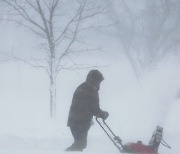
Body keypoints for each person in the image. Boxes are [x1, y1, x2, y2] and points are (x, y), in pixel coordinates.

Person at [65, 70, 109, 151]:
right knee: (80, 145)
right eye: (99, 81)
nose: (99, 84)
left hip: (73, 121)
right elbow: (95, 109)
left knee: (79, 144)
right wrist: (103, 115)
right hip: (81, 122)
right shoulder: (92, 90)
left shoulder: (82, 86)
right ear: (96, 80)